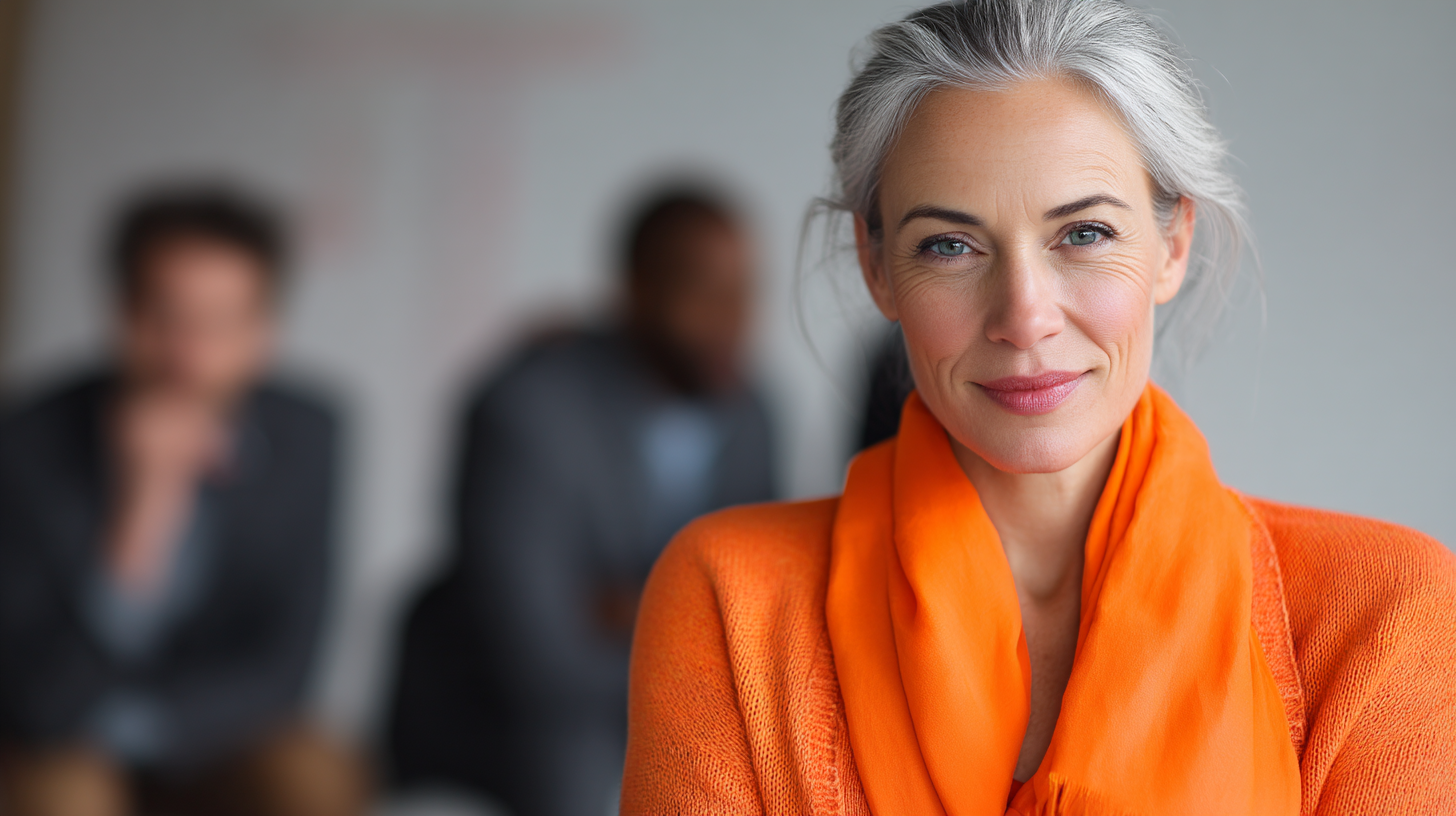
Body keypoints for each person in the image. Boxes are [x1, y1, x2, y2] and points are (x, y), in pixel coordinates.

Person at [621, 2, 1456, 815]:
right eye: (949, 245)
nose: (1024, 315)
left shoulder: (1384, 613)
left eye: (1084, 233)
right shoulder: (734, 602)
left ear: (1172, 244)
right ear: (877, 268)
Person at [388, 186, 777, 816]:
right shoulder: (530, 409)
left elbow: (756, 618)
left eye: (744, 292)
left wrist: (633, 606)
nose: (732, 319)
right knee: (582, 759)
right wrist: (686, 622)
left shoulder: (749, 409)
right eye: (703, 290)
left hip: (659, 703)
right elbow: (540, 655)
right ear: (635, 289)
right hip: (505, 720)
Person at [0, 185, 368, 816]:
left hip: (210, 732)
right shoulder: (29, 439)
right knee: (64, 797)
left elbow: (288, 664)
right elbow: (32, 690)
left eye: (221, 323)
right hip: (61, 735)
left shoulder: (310, 434)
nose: (188, 353)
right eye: (165, 318)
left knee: (316, 775)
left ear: (264, 332)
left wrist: (152, 733)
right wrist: (140, 518)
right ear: (120, 312)